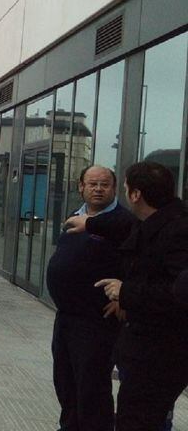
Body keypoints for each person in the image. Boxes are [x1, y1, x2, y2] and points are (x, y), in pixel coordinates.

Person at [90, 162, 188, 431]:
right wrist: (88, 223)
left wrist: (126, 292)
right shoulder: (151, 223)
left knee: (138, 420)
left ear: (136, 195)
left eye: (124, 188)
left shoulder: (178, 231)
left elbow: (178, 293)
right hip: (142, 349)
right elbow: (119, 228)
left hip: (161, 354)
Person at [46, 165, 134, 431]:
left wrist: (125, 297)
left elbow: (139, 264)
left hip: (97, 320)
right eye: (92, 184)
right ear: (81, 186)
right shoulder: (76, 216)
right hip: (66, 316)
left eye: (104, 185)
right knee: (65, 380)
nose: (98, 189)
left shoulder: (123, 223)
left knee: (91, 386)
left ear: (114, 189)